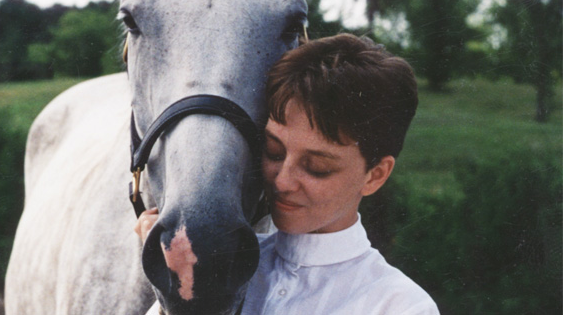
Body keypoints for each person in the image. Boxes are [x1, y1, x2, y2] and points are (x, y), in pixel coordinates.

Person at [135, 34, 439, 314]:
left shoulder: (400, 306)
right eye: (274, 152)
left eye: (317, 168)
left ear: (375, 175)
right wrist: (174, 286)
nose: (282, 181)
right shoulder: (225, 264)